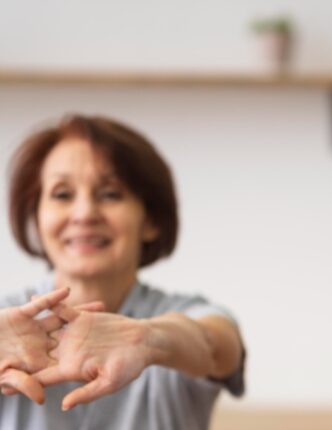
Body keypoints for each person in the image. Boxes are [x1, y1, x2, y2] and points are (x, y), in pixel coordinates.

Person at [0, 115, 245, 430]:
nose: (85, 213)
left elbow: (218, 346)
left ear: (151, 220)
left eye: (111, 193)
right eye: (62, 194)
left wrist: (149, 340)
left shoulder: (183, 313)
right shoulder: (6, 323)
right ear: (36, 218)